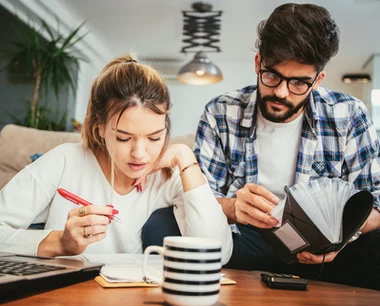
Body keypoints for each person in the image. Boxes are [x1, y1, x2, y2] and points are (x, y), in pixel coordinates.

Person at [194, 3, 380, 290]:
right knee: (162, 224)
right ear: (258, 63)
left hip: (329, 252)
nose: (281, 92)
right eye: (271, 76)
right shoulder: (220, 111)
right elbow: (200, 197)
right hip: (246, 239)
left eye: (298, 83)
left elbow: (375, 202)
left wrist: (344, 238)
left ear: (317, 80)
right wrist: (232, 207)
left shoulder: (350, 115)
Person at [0, 54, 233, 265]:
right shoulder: (64, 160)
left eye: (154, 137)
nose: (140, 154)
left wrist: (185, 157)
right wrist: (59, 243)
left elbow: (216, 253)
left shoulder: (169, 176)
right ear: (100, 127)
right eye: (123, 138)